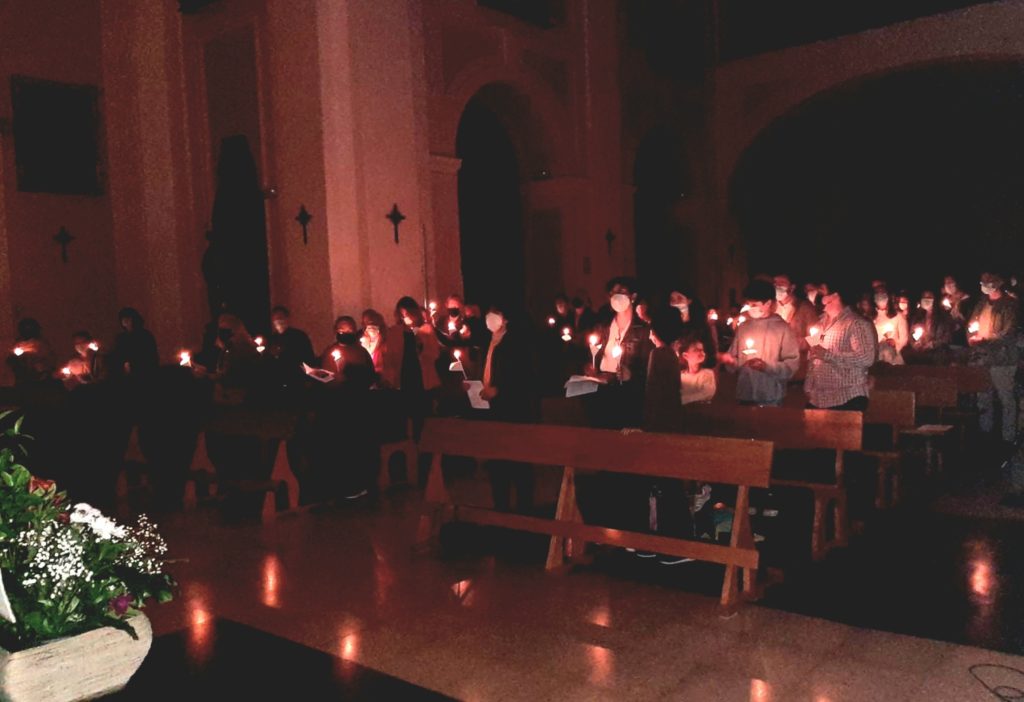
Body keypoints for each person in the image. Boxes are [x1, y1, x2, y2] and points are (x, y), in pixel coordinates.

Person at [471, 303, 538, 513]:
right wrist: (475, 385)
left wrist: (499, 389)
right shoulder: (487, 342)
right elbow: (486, 369)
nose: (491, 318)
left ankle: (525, 511)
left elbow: (524, 376)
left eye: (496, 314)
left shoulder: (516, 343)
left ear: (505, 319)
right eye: (489, 314)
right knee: (498, 465)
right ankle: (501, 509)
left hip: (514, 411)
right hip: (493, 411)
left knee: (519, 463)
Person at [585, 276, 653, 429]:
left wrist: (630, 374)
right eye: (612, 293)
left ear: (633, 297)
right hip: (600, 392)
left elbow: (648, 367)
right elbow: (593, 355)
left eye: (621, 292)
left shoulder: (642, 331)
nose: (616, 296)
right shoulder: (602, 327)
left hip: (626, 395)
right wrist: (590, 367)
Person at [720, 280, 800, 406]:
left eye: (754, 304)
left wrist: (766, 367)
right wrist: (730, 361)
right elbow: (735, 358)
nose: (751, 308)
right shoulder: (744, 327)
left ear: (768, 303)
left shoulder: (782, 328)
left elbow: (792, 364)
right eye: (748, 304)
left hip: (771, 394)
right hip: (746, 392)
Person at [805, 284, 878, 411]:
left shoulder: (856, 323)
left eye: (821, 290)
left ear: (835, 295)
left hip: (847, 398)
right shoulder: (819, 324)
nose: (817, 294)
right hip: (818, 399)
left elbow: (866, 358)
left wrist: (828, 355)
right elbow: (814, 358)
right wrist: (808, 385)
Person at [967, 272, 1019, 445]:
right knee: (983, 397)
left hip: (1002, 359)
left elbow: (1008, 332)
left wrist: (986, 340)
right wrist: (972, 337)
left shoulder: (1009, 305)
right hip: (982, 359)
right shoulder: (982, 303)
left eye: (988, 282)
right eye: (982, 282)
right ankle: (985, 432)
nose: (984, 286)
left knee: (1006, 398)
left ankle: (1008, 437)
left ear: (997, 284)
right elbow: (971, 324)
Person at [382, 297, 441, 439]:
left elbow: (434, 354)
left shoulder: (425, 330)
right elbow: (389, 358)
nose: (405, 317)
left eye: (408, 313)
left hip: (421, 378)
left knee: (422, 416)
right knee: (405, 415)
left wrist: (420, 343)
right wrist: (388, 378)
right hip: (404, 377)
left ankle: (422, 442)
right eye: (402, 314)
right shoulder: (394, 332)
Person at [265, 306, 315, 392]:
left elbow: (308, 358)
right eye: (275, 319)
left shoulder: (299, 336)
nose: (278, 321)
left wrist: (309, 378)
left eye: (281, 318)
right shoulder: (272, 339)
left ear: (287, 318)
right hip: (278, 381)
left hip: (296, 380)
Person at [904, 290, 953, 364]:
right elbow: (911, 334)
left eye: (929, 297)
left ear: (934, 299)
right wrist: (915, 344)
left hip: (938, 352)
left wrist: (932, 344)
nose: (926, 299)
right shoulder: (917, 317)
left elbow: (946, 337)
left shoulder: (943, 316)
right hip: (920, 351)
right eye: (924, 297)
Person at [109, 308, 159, 379]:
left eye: (128, 318)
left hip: (143, 373)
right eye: (123, 319)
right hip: (124, 376)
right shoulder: (121, 338)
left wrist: (132, 365)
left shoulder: (145, 335)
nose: (125, 321)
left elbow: (150, 357)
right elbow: (117, 354)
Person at [6, 318, 56, 386]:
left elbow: (49, 361)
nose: (27, 331)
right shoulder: (18, 344)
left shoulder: (42, 344)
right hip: (23, 378)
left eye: (29, 329)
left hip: (40, 378)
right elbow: (11, 360)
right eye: (25, 329)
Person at [773, 274, 819, 339]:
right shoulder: (769, 306)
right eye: (775, 282)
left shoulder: (805, 307)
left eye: (782, 283)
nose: (777, 286)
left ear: (792, 287)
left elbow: (814, 337)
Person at [871, 288, 908, 365]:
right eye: (878, 295)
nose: (880, 298)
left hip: (894, 359)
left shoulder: (898, 316)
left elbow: (904, 338)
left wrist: (895, 344)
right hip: (876, 359)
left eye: (883, 295)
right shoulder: (870, 318)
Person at [679, 332, 716, 405]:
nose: (701, 352)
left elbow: (707, 393)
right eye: (696, 350)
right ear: (685, 355)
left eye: (702, 350)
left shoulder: (707, 374)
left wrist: (682, 400)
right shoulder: (681, 376)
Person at [360, 309, 387, 376]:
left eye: (373, 325)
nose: (370, 329)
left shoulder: (385, 344)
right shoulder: (362, 340)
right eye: (366, 325)